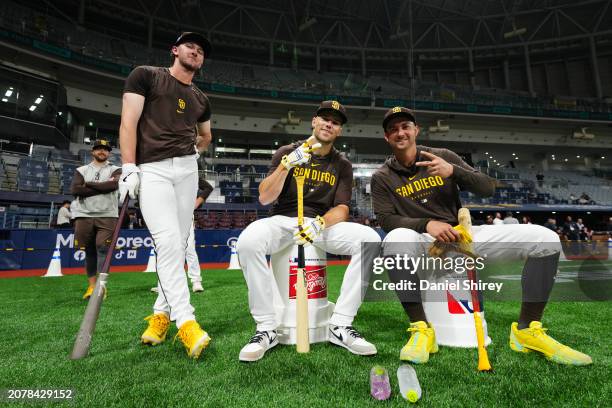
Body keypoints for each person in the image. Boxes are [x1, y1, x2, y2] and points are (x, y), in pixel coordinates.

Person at [371, 106, 591, 366]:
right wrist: (427, 223)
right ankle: (421, 329)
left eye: (405, 126)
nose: (400, 132)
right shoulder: (382, 176)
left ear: (416, 130)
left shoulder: (442, 156)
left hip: (463, 235)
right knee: (395, 239)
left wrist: (453, 171)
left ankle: (526, 330)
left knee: (546, 239)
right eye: (393, 129)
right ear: (387, 137)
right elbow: (385, 219)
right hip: (424, 241)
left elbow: (487, 188)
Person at [236, 100, 381, 362]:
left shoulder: (342, 164)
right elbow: (265, 198)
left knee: (369, 239)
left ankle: (340, 325)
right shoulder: (286, 152)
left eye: (335, 122)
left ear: (339, 130)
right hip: (282, 220)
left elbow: (342, 209)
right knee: (247, 242)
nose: (329, 124)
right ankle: (266, 328)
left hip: (320, 225)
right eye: (325, 118)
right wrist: (285, 166)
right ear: (314, 121)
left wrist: (321, 223)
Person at [119, 32, 213, 359]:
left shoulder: (200, 98)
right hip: (153, 169)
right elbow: (128, 122)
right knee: (170, 242)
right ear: (175, 50)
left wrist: (195, 151)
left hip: (187, 170)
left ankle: (160, 316)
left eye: (201, 51)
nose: (195, 52)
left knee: (179, 242)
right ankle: (186, 321)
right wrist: (129, 166)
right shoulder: (145, 75)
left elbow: (206, 135)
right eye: (190, 46)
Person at [70, 140, 121, 300]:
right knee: (89, 250)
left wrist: (90, 184)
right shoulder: (81, 169)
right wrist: (102, 186)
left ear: (109, 153)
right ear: (92, 151)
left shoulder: (116, 169)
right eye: (99, 149)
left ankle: (101, 286)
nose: (102, 151)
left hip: (107, 214)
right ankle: (92, 286)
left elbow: (112, 186)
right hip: (84, 214)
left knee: (103, 248)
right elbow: (75, 190)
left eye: (105, 149)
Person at [150, 176, 213, 294]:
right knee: (165, 248)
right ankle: (164, 284)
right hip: (165, 214)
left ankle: (196, 281)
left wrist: (196, 203)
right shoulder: (162, 174)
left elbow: (208, 188)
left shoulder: (187, 173)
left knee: (189, 247)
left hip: (185, 213)